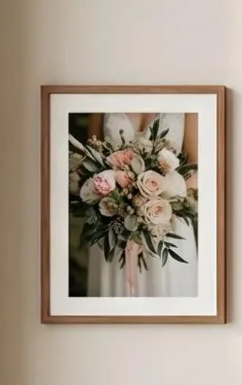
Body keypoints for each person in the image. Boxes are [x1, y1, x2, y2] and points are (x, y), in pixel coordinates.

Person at [83, 111, 199, 298]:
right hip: (112, 222)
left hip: (167, 223)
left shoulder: (187, 97)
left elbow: (194, 167)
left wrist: (156, 215)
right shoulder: (102, 93)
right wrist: (121, 206)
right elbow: (90, 159)